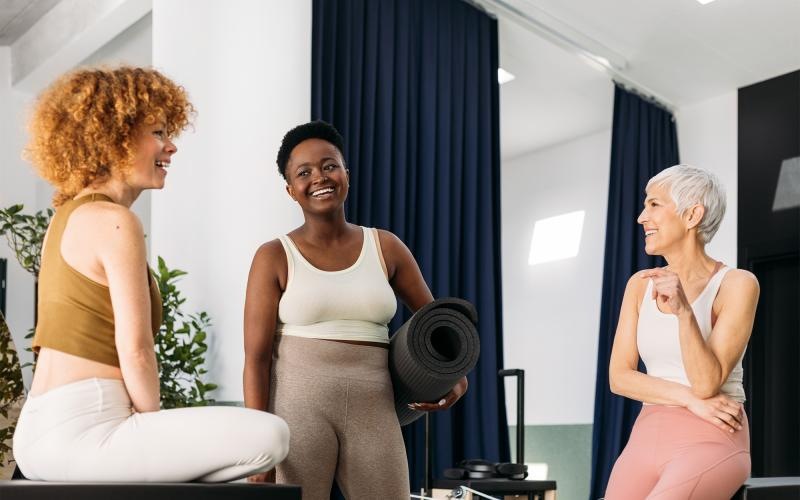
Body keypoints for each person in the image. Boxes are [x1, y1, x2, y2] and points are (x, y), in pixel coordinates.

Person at [13, 67, 289, 482]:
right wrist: (152, 427)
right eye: (158, 132)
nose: (171, 146)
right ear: (114, 137)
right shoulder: (116, 221)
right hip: (86, 428)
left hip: (38, 428)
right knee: (272, 435)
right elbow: (137, 349)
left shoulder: (67, 217)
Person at [243, 120, 468, 499]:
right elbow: (256, 358)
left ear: (346, 172)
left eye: (330, 165)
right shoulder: (273, 256)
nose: (320, 177)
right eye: (304, 172)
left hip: (374, 407)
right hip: (297, 410)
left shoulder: (387, 247)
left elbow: (436, 325)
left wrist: (456, 377)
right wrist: (259, 446)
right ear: (290, 190)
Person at [604, 165, 759, 499]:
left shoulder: (737, 284)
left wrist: (684, 312)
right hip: (646, 436)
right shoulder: (639, 285)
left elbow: (707, 383)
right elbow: (619, 377)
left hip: (713, 436)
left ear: (692, 215)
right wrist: (689, 399)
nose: (641, 217)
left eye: (654, 205)